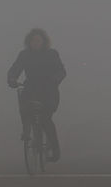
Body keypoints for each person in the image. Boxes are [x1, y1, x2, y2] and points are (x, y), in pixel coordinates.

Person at [7, 28, 67, 161]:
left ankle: (55, 150)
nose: (35, 43)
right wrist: (12, 79)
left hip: (48, 91)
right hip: (30, 90)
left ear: (44, 41)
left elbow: (61, 71)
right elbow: (15, 69)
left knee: (45, 119)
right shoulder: (24, 55)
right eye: (33, 40)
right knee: (24, 109)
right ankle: (27, 131)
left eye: (38, 40)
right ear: (29, 42)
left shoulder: (52, 54)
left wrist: (54, 80)